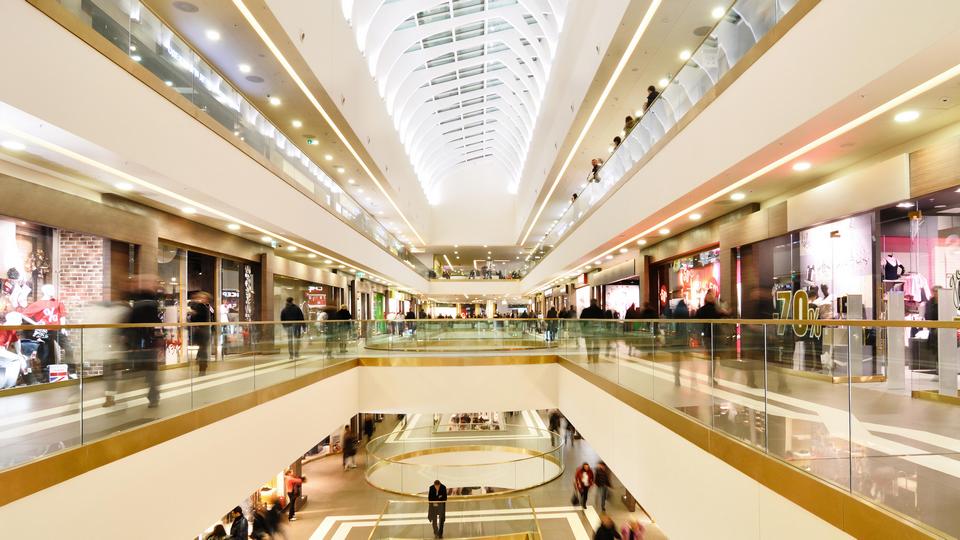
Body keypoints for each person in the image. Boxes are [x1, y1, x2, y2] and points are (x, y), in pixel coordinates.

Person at [125, 283, 163, 408]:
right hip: (150, 344)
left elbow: (129, 325)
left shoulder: (135, 310)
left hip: (139, 343)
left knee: (145, 369)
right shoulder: (153, 310)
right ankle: (153, 396)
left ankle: (151, 392)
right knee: (151, 371)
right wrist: (160, 343)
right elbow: (158, 327)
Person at [188, 291, 213, 376]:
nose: (199, 299)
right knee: (203, 348)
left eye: (201, 297)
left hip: (202, 331)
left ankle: (202, 367)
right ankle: (201, 365)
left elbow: (194, 318)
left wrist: (193, 313)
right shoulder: (207, 307)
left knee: (202, 349)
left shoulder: (202, 307)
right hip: (203, 331)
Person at [580, 299, 604, 364]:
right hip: (597, 331)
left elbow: (581, 321)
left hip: (587, 331)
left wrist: (583, 331)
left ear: (590, 302)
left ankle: (589, 359)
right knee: (596, 345)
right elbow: (603, 322)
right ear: (596, 302)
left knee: (588, 346)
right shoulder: (600, 311)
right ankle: (596, 359)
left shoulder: (585, 311)